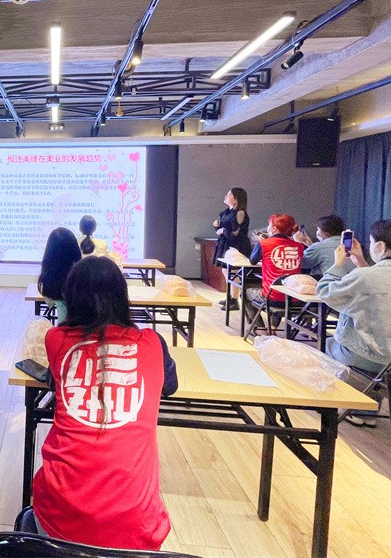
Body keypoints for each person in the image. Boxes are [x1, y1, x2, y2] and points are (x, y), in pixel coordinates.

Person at [32, 256, 178, 550]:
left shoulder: (56, 339)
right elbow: (170, 386)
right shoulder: (153, 342)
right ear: (122, 297)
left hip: (59, 519)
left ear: (71, 298)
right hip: (137, 530)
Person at [317, 219, 391, 426]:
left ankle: (340, 407)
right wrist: (361, 262)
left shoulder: (366, 276)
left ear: (380, 246)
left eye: (372, 242)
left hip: (375, 361)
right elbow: (382, 284)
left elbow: (325, 292)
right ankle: (366, 410)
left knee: (328, 344)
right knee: (380, 338)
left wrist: (338, 264)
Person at [247, 214, 307, 326]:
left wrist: (261, 243)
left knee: (245, 293)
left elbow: (252, 261)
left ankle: (260, 328)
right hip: (295, 298)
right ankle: (273, 327)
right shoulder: (299, 246)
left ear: (274, 228)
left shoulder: (264, 244)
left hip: (271, 297)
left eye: (269, 224)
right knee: (281, 287)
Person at [212, 188, 251, 311]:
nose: (225, 196)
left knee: (233, 272)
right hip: (226, 243)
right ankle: (230, 296)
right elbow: (224, 230)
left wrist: (222, 230)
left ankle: (234, 300)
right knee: (226, 270)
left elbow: (235, 233)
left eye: (229, 195)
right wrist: (217, 226)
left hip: (236, 245)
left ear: (236, 199)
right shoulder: (228, 212)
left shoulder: (240, 213)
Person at [38, 228, 82, 322]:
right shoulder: (82, 274)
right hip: (88, 328)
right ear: (75, 249)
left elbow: (49, 302)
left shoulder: (48, 277)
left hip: (62, 326)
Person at [294, 214, 353, 279]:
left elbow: (298, 263)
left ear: (325, 233)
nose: (317, 232)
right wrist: (311, 245)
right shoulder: (353, 245)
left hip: (328, 283)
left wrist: (297, 243)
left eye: (318, 229)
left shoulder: (319, 247)